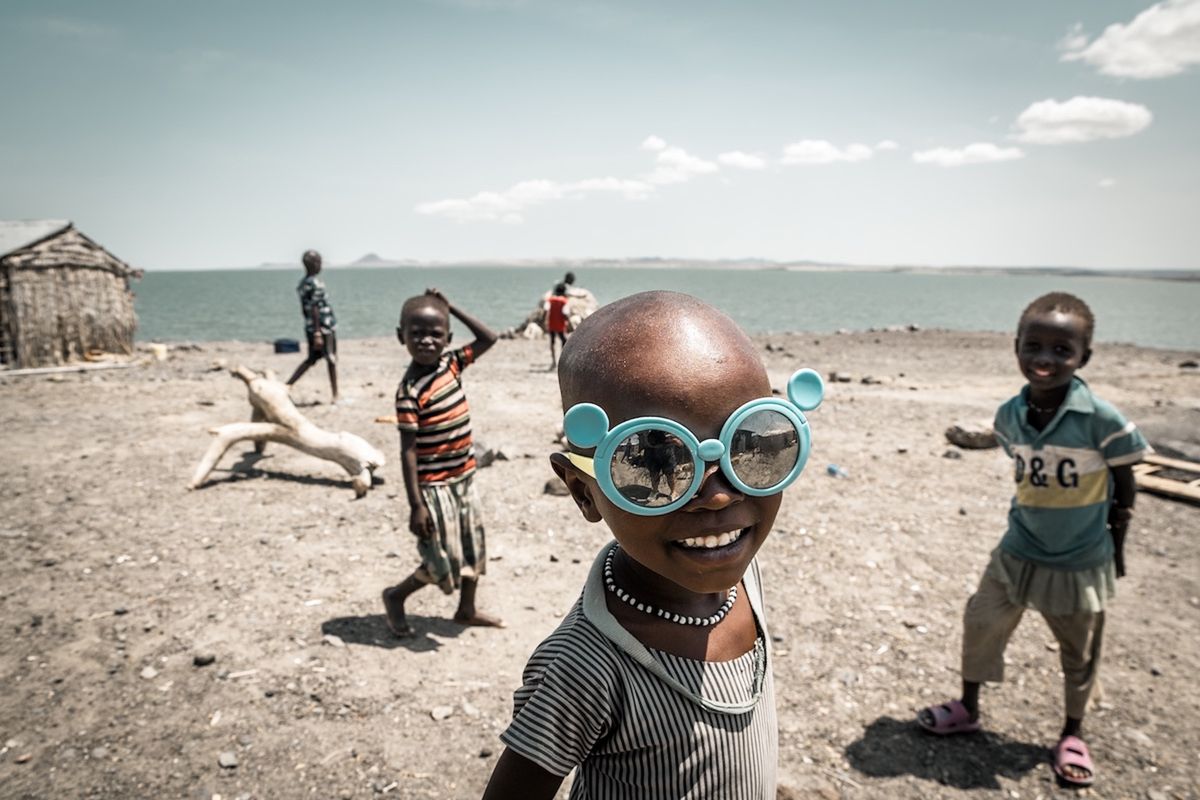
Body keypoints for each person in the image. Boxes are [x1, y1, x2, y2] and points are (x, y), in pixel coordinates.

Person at [482, 291, 825, 799]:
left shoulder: (741, 577)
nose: (718, 495)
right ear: (583, 490)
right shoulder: (586, 665)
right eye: (652, 461)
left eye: (752, 445)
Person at [917, 292, 1149, 789]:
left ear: (1084, 357)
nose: (1045, 360)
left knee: (1079, 652)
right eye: (1034, 346)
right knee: (981, 621)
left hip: (1079, 559)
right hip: (1017, 549)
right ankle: (969, 706)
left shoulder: (1105, 422)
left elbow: (1125, 490)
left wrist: (1118, 549)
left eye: (1062, 351)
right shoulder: (1009, 416)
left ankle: (1072, 732)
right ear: (1016, 347)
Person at [382, 288, 504, 636]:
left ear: (447, 338)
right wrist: (415, 505)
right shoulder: (409, 392)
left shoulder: (452, 363)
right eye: (416, 333)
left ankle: (466, 609)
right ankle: (396, 595)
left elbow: (489, 337)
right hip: (433, 488)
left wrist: (450, 306)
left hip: (464, 477)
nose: (426, 340)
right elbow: (407, 451)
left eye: (435, 333)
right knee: (441, 558)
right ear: (400, 336)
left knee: (472, 546)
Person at [286, 249, 339, 404]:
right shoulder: (314, 283)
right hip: (323, 327)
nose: (320, 265)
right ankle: (335, 395)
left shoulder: (303, 284)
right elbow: (314, 307)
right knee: (331, 358)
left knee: (312, 359)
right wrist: (317, 332)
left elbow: (305, 309)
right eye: (319, 262)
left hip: (312, 326)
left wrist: (310, 327)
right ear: (313, 264)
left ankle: (287, 385)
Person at [543, 282, 569, 368]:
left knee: (552, 342)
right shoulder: (564, 301)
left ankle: (554, 361)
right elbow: (565, 313)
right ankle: (563, 360)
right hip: (560, 325)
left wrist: (544, 320)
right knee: (564, 341)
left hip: (551, 324)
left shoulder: (550, 300)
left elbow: (546, 310)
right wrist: (567, 321)